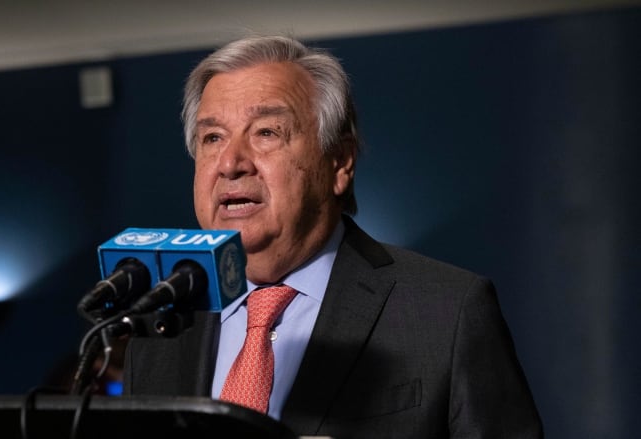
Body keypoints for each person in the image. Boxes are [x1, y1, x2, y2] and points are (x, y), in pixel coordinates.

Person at [122, 35, 543, 438]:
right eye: (212, 138)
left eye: (266, 133)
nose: (231, 163)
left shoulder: (446, 312)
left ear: (339, 163)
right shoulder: (162, 323)